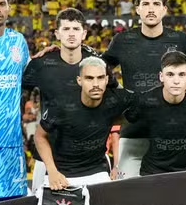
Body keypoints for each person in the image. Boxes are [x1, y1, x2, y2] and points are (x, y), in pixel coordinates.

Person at [103, 0, 186, 179]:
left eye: (156, 3)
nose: (151, 8)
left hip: (173, 136)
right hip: (133, 133)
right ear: (137, 9)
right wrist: (117, 91)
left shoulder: (181, 40)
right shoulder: (122, 40)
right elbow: (99, 67)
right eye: (145, 3)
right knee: (127, 198)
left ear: (164, 9)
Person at [23, 8, 111, 194]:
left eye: (76, 29)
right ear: (57, 33)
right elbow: (19, 96)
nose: (71, 33)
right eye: (66, 29)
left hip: (92, 162)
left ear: (84, 33)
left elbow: (116, 98)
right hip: (47, 158)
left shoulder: (97, 63)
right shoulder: (41, 64)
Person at [34, 57, 134, 190]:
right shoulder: (61, 104)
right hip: (62, 172)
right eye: (89, 78)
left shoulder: (117, 99)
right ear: (79, 80)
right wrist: (52, 171)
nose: (95, 84)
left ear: (107, 80)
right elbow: (39, 136)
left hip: (97, 171)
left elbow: (143, 103)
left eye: (100, 78)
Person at [127, 51, 186, 175]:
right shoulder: (145, 100)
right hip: (153, 171)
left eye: (181, 75)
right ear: (161, 76)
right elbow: (128, 116)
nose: (176, 81)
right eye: (170, 74)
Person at [0, 0, 30, 199]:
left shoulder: (18, 41)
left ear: (9, 8)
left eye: (1, 4)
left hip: (10, 140)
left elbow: (30, 73)